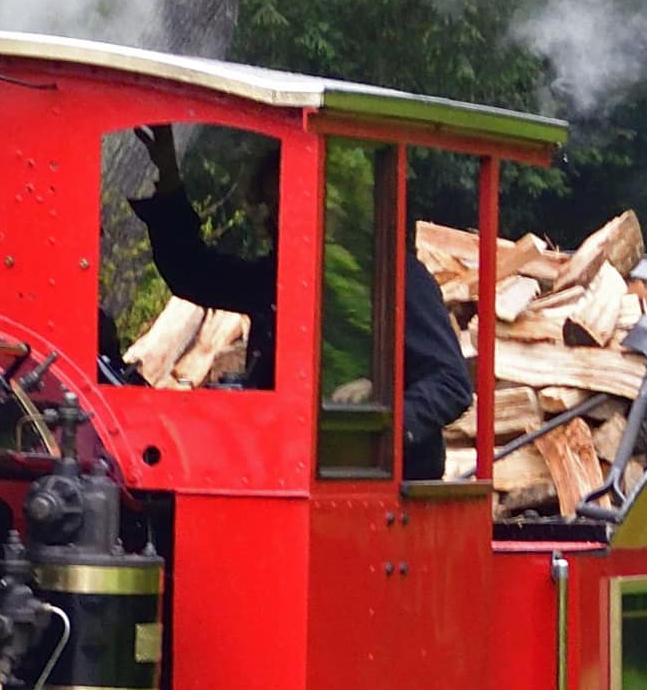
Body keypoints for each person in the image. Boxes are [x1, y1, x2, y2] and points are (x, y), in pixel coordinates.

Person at [129, 131, 475, 476]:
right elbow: (196, 275)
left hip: (380, 484)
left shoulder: (394, 279)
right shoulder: (284, 275)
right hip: (290, 471)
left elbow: (450, 383)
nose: (279, 219)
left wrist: (383, 408)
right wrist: (169, 180)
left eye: (292, 203)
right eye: (275, 206)